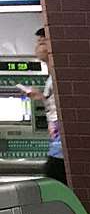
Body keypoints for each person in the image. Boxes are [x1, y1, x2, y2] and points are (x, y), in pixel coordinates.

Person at [19, 28, 65, 184]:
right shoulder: (51, 78)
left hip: (61, 151)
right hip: (58, 149)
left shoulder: (59, 75)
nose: (37, 47)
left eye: (42, 42)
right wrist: (41, 98)